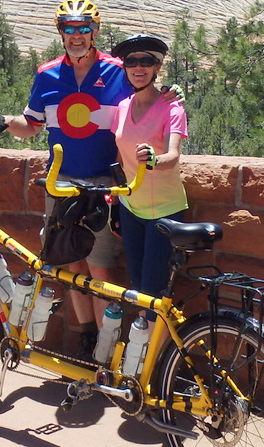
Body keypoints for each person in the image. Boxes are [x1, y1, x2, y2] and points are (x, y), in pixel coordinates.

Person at [0, 0, 177, 356]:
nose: (76, 36)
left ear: (96, 30)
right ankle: (87, 336)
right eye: (69, 29)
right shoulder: (47, 74)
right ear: (60, 32)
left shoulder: (119, 70)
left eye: (83, 28)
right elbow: (31, 126)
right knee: (69, 262)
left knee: (100, 265)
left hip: (104, 183)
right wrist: (4, 121)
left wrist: (172, 94)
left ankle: (106, 350)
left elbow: (148, 99)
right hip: (60, 182)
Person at [109, 34, 188, 316]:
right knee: (139, 287)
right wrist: (115, 205)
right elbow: (119, 158)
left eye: (147, 61)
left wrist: (154, 160)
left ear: (158, 67)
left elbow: (173, 156)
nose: (138, 67)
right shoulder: (122, 108)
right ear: (125, 67)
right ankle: (143, 356)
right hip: (131, 209)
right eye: (132, 61)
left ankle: (153, 358)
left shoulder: (172, 106)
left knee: (152, 293)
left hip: (163, 211)